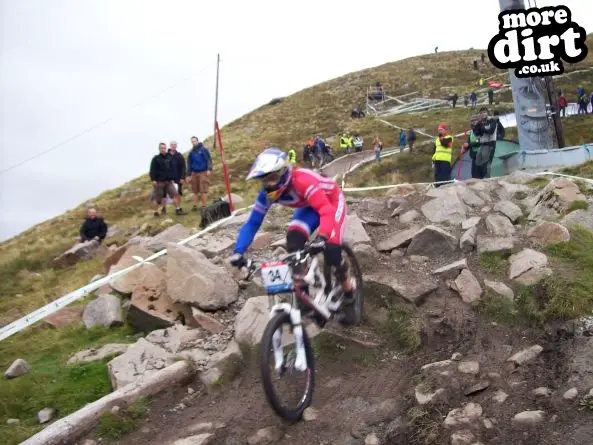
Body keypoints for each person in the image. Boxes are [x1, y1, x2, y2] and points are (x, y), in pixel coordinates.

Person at [228, 148, 356, 317]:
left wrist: (323, 236)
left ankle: (349, 291)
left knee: (332, 249)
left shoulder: (302, 181)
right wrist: (238, 251)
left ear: (283, 172)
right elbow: (253, 223)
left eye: (272, 178)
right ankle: (304, 299)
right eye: (264, 180)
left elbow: (325, 209)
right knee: (294, 243)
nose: (269, 184)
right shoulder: (266, 195)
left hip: (331, 202)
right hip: (308, 208)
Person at [150, 142, 183, 216]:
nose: (163, 149)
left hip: (169, 182)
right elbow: (152, 170)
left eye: (164, 148)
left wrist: (173, 177)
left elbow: (172, 168)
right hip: (159, 183)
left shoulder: (169, 157)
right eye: (161, 148)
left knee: (175, 195)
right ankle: (156, 212)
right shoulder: (155, 159)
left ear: (166, 148)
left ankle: (177, 210)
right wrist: (153, 180)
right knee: (158, 199)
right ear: (159, 149)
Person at [186, 136, 213, 213]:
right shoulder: (191, 152)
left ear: (197, 141)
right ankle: (195, 206)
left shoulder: (203, 150)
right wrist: (188, 174)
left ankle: (204, 206)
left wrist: (209, 169)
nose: (194, 142)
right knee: (195, 191)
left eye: (195, 141)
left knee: (203, 190)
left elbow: (208, 160)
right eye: (192, 141)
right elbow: (189, 163)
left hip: (203, 172)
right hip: (194, 173)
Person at [472, 107, 498, 179]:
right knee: (478, 161)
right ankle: (480, 178)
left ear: (487, 113)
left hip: (490, 144)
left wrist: (483, 126)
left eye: (484, 112)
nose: (483, 114)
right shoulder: (481, 122)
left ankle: (487, 178)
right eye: (481, 113)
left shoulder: (492, 120)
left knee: (486, 162)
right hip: (482, 144)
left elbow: (490, 131)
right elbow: (477, 133)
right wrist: (478, 124)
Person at [431, 122, 453, 187]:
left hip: (445, 160)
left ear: (445, 130)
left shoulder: (449, 138)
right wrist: (433, 159)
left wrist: (441, 138)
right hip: (437, 160)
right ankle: (438, 188)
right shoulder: (437, 139)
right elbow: (434, 150)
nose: (439, 131)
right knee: (437, 175)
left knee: (445, 176)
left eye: (441, 130)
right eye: (439, 130)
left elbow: (445, 144)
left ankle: (447, 189)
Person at [168, 140, 187, 206]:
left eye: (175, 145)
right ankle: (176, 208)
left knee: (178, 194)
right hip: (170, 180)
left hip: (178, 179)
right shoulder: (166, 156)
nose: (173, 146)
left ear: (176, 146)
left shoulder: (179, 155)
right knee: (173, 194)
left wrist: (182, 178)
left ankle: (178, 208)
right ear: (170, 146)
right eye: (172, 145)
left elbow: (183, 167)